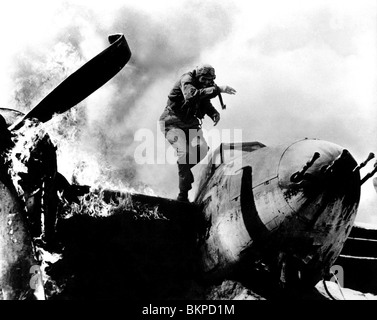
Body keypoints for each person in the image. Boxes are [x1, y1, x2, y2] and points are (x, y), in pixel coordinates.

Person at [159, 64, 236, 202]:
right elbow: (191, 97)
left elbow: (204, 101)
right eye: (204, 79)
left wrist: (213, 113)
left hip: (191, 124)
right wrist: (219, 89)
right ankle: (183, 195)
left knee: (201, 150)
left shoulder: (206, 85)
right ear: (197, 76)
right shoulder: (187, 80)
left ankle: (184, 171)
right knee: (184, 154)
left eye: (210, 80)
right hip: (172, 123)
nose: (207, 82)